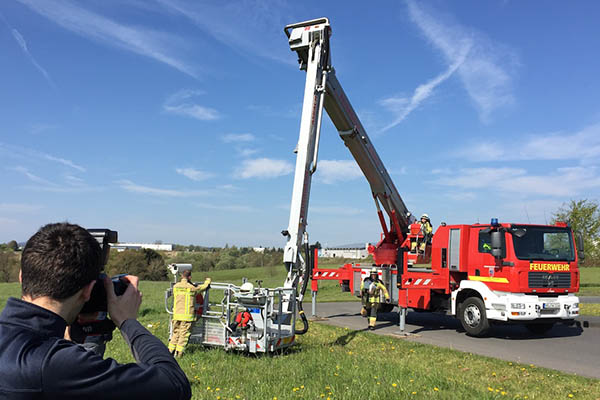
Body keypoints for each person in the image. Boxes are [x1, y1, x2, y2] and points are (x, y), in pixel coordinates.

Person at [0, 222, 191, 399]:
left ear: (22, 276)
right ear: (88, 291)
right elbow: (174, 384)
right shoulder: (52, 365)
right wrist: (127, 321)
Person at [168, 269, 211, 357]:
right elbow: (203, 287)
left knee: (175, 333)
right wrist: (208, 281)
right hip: (187, 316)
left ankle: (170, 351)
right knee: (184, 335)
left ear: (181, 276)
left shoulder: (175, 286)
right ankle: (179, 353)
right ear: (190, 277)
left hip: (176, 315)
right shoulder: (192, 288)